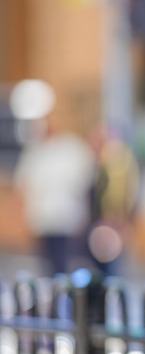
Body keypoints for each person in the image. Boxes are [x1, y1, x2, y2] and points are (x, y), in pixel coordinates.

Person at [13, 113, 97, 276]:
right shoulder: (35, 152)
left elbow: (86, 182)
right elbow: (23, 185)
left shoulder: (72, 149)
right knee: (47, 264)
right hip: (43, 220)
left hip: (67, 218)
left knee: (67, 263)